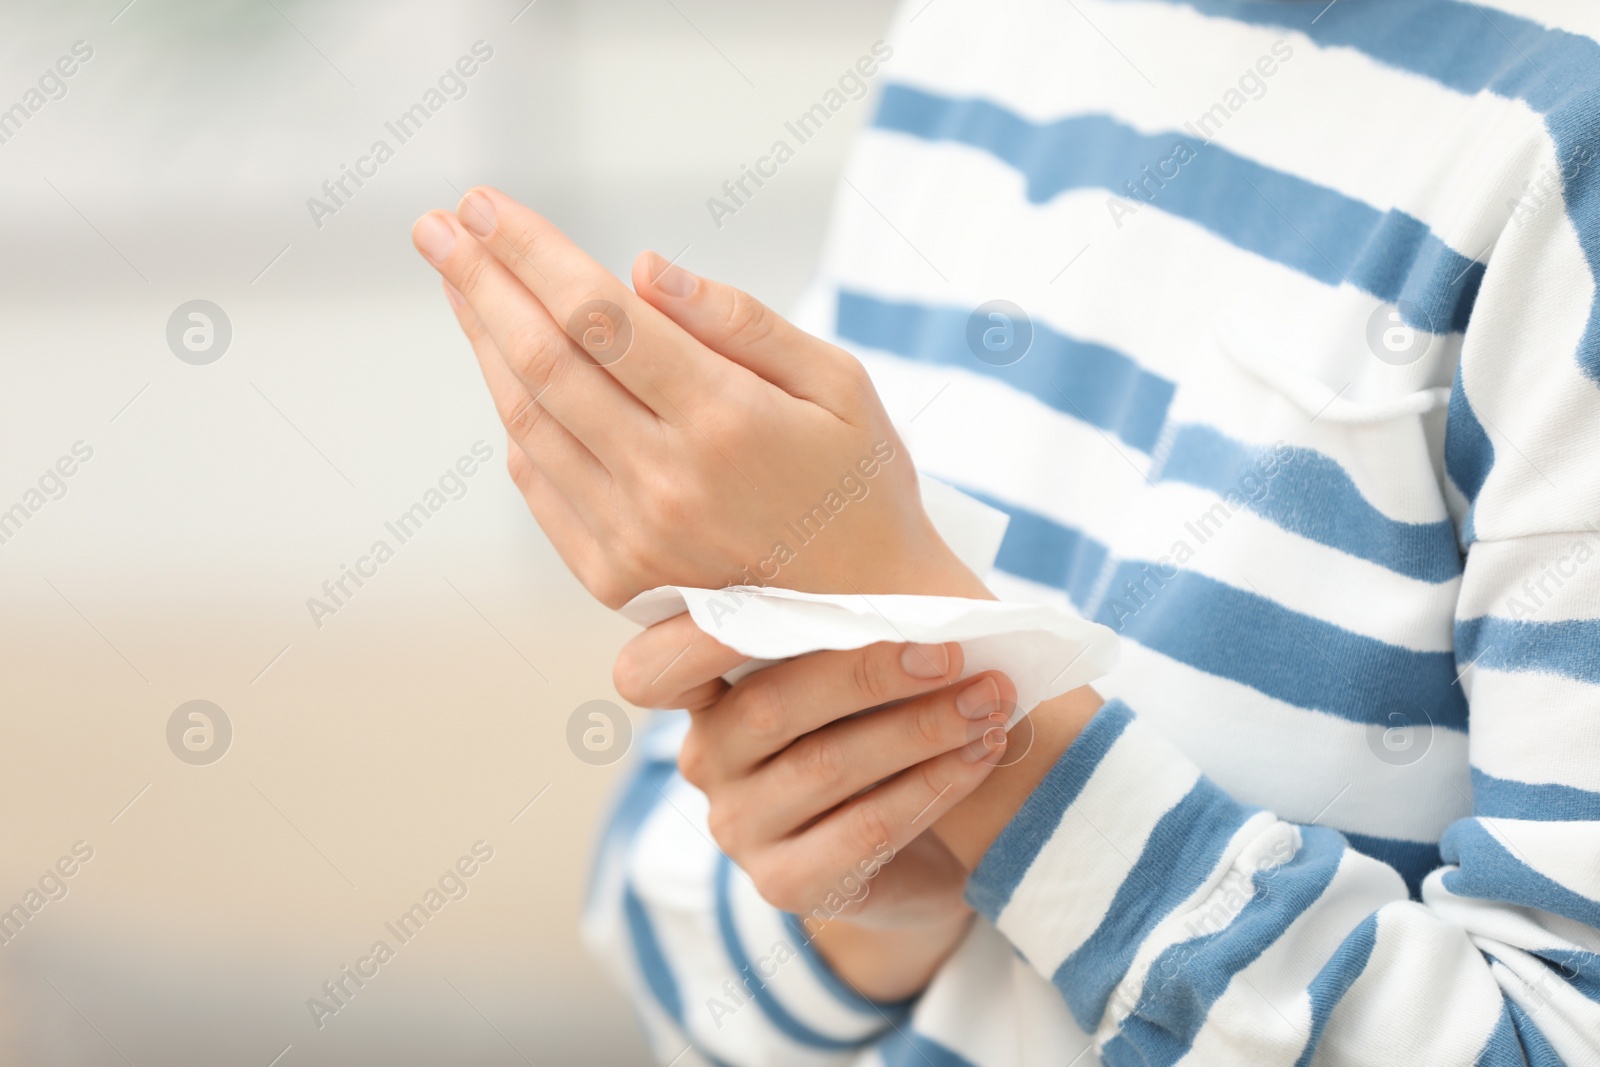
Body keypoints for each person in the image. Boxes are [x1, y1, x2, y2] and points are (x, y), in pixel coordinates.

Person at [411, 0, 1600, 1062]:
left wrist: (1003, 768)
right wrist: (871, 896)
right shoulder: (969, 30)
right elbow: (674, 946)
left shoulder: (1564, 130)